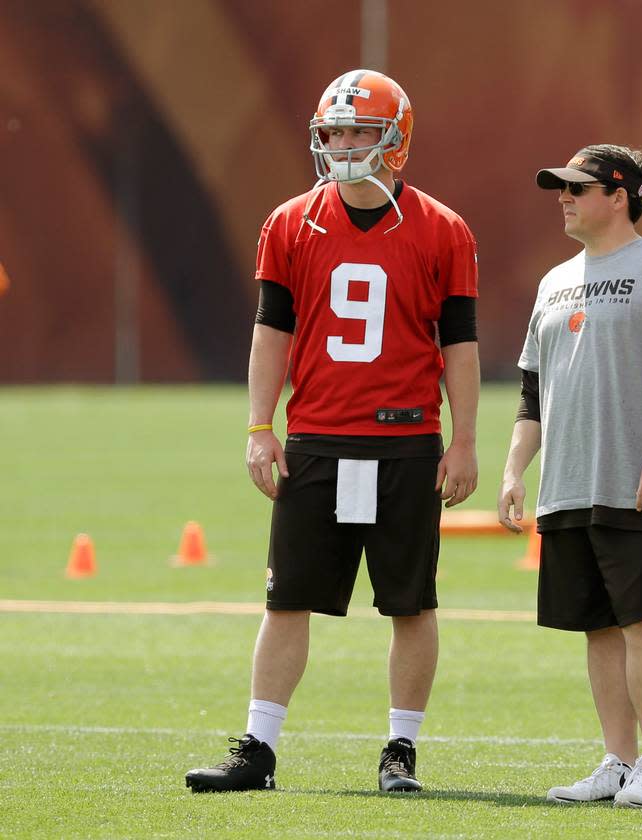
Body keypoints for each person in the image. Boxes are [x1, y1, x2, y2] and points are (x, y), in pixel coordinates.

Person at [185, 69, 480, 794]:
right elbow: (270, 334)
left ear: (395, 140)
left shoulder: (442, 228)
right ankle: (258, 747)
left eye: (360, 131)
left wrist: (465, 437)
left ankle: (400, 751)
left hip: (405, 439)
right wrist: (259, 426)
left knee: (410, 602)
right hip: (316, 434)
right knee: (286, 597)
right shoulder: (291, 221)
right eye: (335, 132)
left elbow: (460, 345)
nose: (345, 144)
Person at [498, 144, 642, 809]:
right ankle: (618, 760)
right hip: (566, 486)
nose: (562, 198)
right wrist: (514, 470)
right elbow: (534, 392)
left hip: (636, 480)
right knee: (597, 627)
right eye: (559, 189)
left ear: (618, 195)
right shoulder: (553, 281)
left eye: (575, 188)